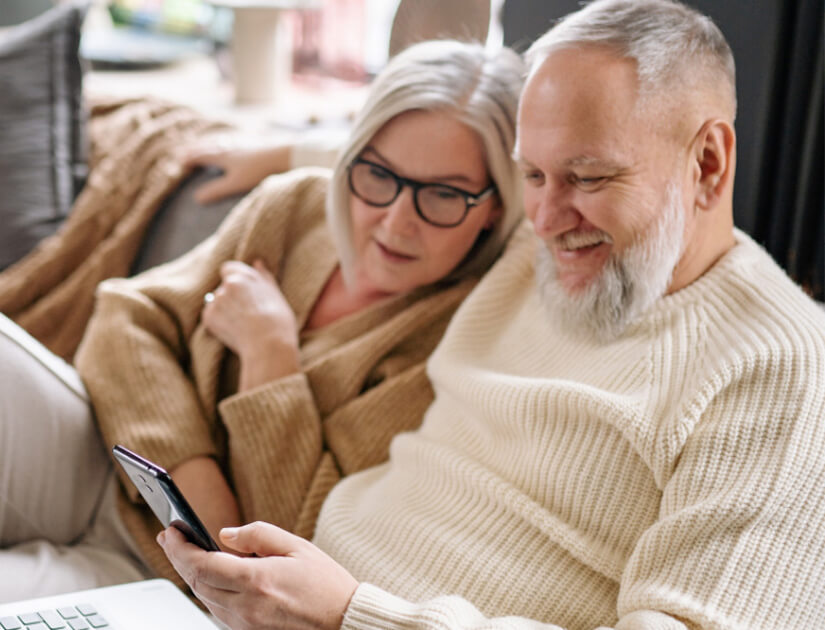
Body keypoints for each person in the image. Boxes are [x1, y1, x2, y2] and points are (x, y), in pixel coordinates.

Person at [156, 1, 825, 629]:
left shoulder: (781, 371)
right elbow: (428, 164)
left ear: (706, 162)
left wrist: (351, 614)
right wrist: (282, 153)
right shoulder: (539, 248)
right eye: (531, 175)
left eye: (588, 178)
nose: (545, 218)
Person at [0, 39, 525, 601]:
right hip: (106, 459)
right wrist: (193, 484)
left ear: (494, 205)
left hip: (174, 581)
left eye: (443, 194)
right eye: (379, 174)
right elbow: (124, 316)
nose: (396, 223)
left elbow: (295, 534)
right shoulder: (296, 207)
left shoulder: (453, 344)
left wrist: (270, 356)